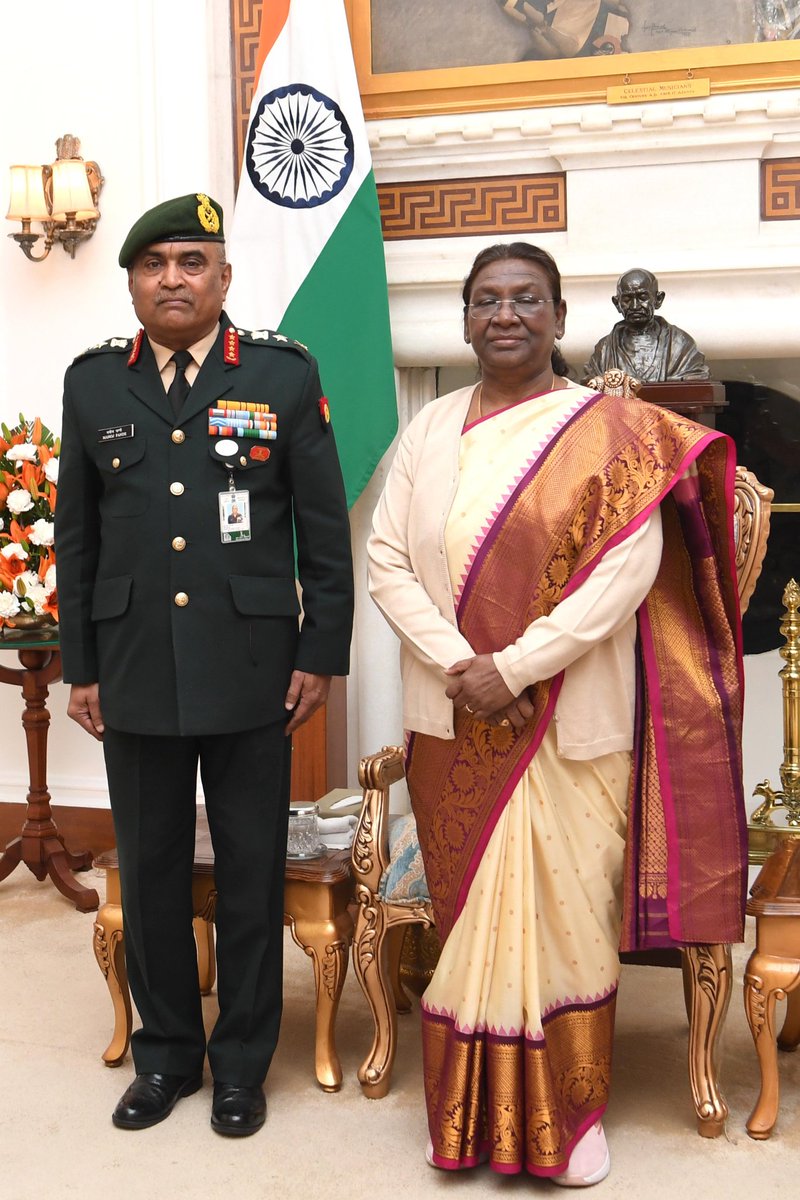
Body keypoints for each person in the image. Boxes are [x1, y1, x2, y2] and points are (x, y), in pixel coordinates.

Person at [367, 242, 746, 1185]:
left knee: (564, 917)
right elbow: (386, 561)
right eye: (487, 300)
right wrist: (465, 662)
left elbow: (627, 572)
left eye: (526, 299)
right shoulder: (429, 433)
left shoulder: (614, 428)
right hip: (453, 714)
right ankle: (463, 1118)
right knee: (471, 924)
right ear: (463, 322)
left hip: (570, 719)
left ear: (559, 318)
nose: (506, 315)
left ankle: (569, 1124)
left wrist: (520, 664)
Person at [55, 193, 353, 1137]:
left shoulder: (280, 372)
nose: (173, 278)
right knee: (147, 873)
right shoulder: (93, 383)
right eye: (155, 265)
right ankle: (169, 1058)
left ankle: (241, 1067)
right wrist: (82, 666)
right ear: (133, 282)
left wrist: (322, 652)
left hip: (254, 665)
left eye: (192, 261)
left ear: (224, 277)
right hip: (136, 664)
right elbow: (77, 535)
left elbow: (323, 529)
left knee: (253, 870)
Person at [583, 267, 710, 383]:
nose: (635, 306)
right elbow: (591, 385)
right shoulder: (604, 349)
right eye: (627, 299)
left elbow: (698, 379)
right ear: (617, 303)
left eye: (642, 297)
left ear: (658, 299)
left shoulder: (681, 344)